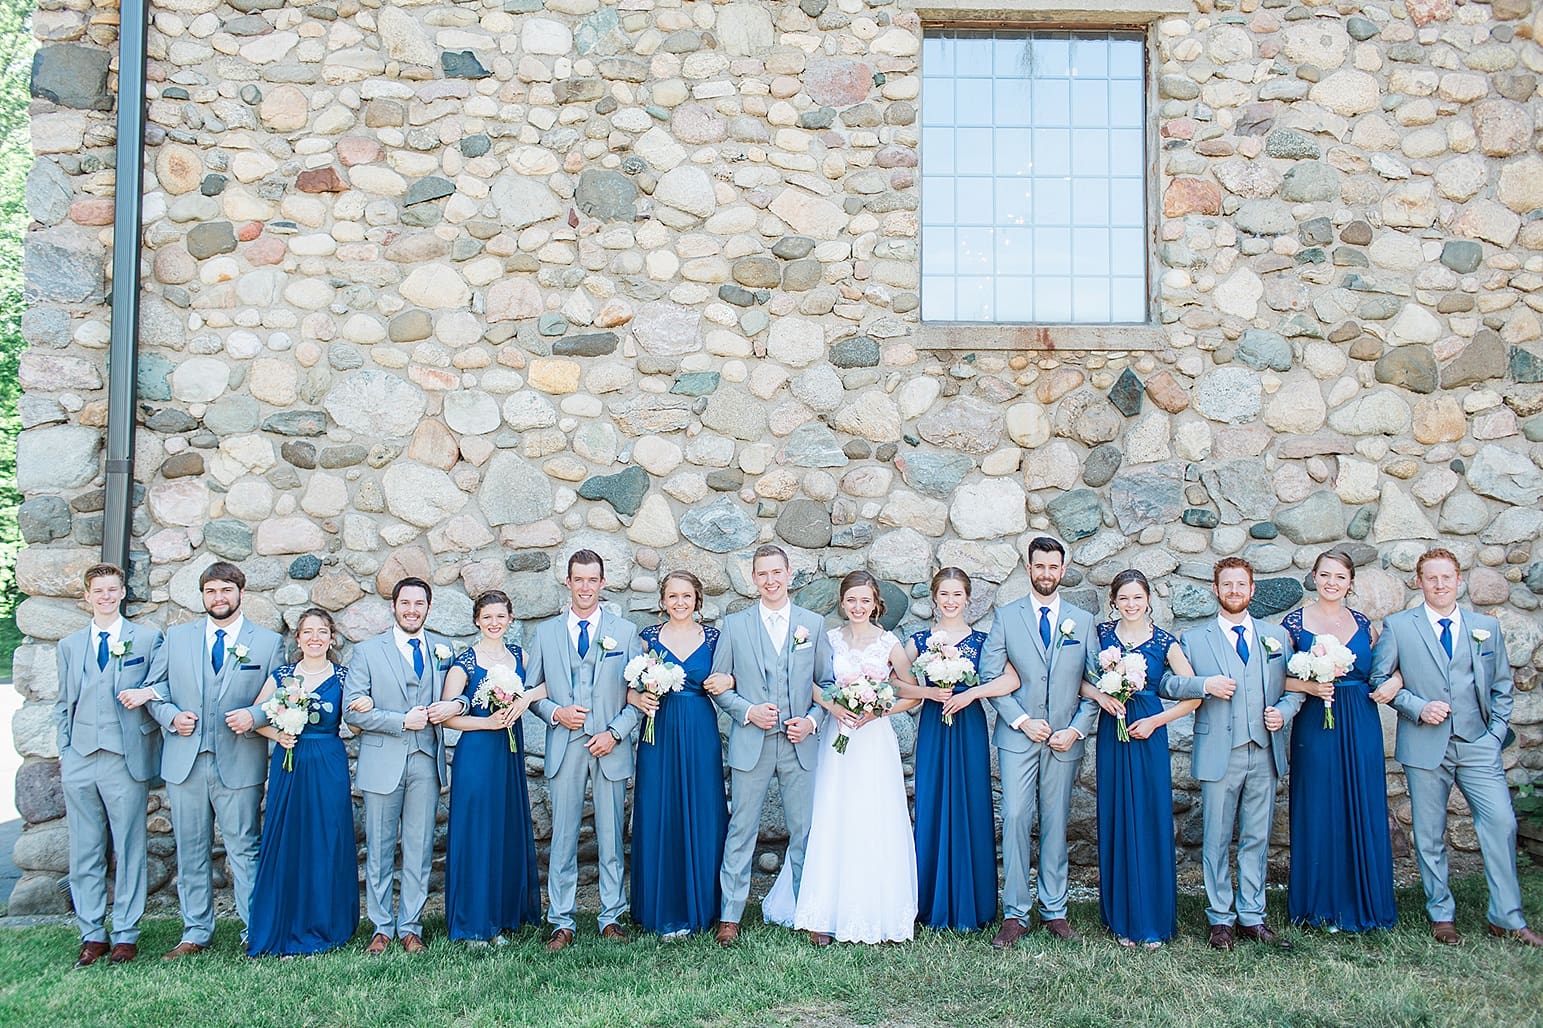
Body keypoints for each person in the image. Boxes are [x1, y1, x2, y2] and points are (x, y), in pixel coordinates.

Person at [1368, 547, 1542, 947]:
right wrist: (1417, 706)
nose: (1440, 584)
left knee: (1502, 822)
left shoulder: (1485, 627)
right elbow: (1379, 680)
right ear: (1419, 581)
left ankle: (1507, 916)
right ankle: (1441, 914)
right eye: (1432, 577)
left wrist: (1495, 733)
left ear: (1459, 580)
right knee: (1429, 834)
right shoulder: (1399, 625)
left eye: (1447, 577)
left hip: (1478, 743)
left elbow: (1501, 686)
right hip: (1426, 745)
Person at [762, 571, 919, 944]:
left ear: (876, 603)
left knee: (872, 815)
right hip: (836, 739)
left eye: (865, 600)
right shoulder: (828, 639)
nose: (858, 607)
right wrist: (833, 706)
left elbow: (912, 693)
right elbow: (810, 682)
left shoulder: (888, 643)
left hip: (873, 741)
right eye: (851, 600)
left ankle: (876, 910)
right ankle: (822, 912)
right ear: (842, 603)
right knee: (831, 812)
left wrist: (878, 712)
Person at [1160, 557, 1300, 951]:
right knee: (1217, 837)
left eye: (1242, 585)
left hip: (1265, 749)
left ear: (1252, 590)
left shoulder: (1276, 637)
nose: (1235, 591)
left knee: (1257, 837)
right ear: (1216, 590)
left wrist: (1284, 711)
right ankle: (1220, 917)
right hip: (1221, 750)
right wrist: (1204, 684)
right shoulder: (1193, 639)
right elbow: (1168, 683)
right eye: (1228, 585)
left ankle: (1252, 916)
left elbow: (1294, 688)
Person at [146, 561, 285, 958]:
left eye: (226, 590)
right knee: (190, 848)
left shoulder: (267, 642)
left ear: (241, 593)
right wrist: (170, 716)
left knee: (244, 847)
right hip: (185, 761)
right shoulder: (176, 638)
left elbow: (280, 696)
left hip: (239, 760)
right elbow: (153, 689)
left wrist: (255, 716)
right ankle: (195, 931)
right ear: (203, 596)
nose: (218, 598)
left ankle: (253, 929)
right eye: (210, 591)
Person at [709, 544, 835, 948]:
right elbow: (717, 685)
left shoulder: (812, 625)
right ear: (753, 578)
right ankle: (730, 915)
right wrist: (747, 712)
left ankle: (810, 912)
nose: (770, 580)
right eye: (762, 574)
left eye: (776, 572)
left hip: (798, 744)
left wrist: (812, 721)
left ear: (789, 574)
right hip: (752, 743)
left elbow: (828, 685)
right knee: (741, 829)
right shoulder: (735, 625)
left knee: (805, 832)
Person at [976, 537, 1098, 946]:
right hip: (1018, 739)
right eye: (1039, 566)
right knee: (1013, 817)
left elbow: (1095, 686)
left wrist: (1076, 728)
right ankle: (1014, 913)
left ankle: (1055, 909)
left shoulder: (1082, 621)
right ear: (1028, 569)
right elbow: (991, 677)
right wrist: (1023, 721)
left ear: (1063, 571)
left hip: (1064, 739)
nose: (1046, 573)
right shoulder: (1007, 617)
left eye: (1053, 567)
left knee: (1056, 822)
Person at [523, 550, 642, 952]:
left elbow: (638, 697)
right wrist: (556, 711)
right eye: (579, 580)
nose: (586, 587)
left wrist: (614, 732)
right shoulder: (545, 634)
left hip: (609, 745)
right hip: (565, 746)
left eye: (593, 580)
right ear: (568, 582)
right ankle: (561, 919)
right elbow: (531, 693)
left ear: (603, 582)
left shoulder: (625, 633)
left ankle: (611, 915)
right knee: (563, 836)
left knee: (610, 835)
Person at [343, 577, 464, 955]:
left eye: (419, 604)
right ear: (393, 607)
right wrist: (399, 720)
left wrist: (456, 706)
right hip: (383, 761)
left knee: (419, 845)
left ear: (428, 608)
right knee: (379, 848)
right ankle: (381, 926)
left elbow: (461, 693)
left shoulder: (442, 649)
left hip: (427, 761)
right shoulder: (366, 652)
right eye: (405, 603)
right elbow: (352, 711)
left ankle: (410, 925)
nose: (412, 610)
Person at [1081, 570, 1201, 947]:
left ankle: (1153, 918)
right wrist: (1101, 696)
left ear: (1148, 600)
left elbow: (1194, 695)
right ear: (1113, 601)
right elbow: (1079, 680)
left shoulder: (1165, 642)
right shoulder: (1100, 636)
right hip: (1112, 729)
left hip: (1148, 731)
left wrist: (1156, 720)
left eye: (1138, 597)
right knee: (1117, 815)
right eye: (1124, 598)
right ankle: (1120, 918)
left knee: (1149, 817)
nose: (1131, 604)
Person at [1281, 549, 1399, 933]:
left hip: (1360, 721)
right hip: (1316, 721)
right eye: (1325, 574)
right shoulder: (1294, 624)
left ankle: (1365, 901)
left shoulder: (1365, 624)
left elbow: (1386, 669)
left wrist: (1396, 682)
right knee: (1317, 804)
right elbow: (1271, 678)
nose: (1332, 582)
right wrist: (1309, 686)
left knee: (1362, 803)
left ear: (1350, 583)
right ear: (1313, 577)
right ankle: (1316, 905)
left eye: (1340, 577)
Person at [54, 563, 163, 967]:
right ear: (87, 596)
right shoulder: (69, 645)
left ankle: (126, 934)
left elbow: (164, 685)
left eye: (112, 589)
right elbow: (64, 704)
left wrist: (146, 690)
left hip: (124, 757)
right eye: (97, 590)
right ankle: (92, 933)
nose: (105, 596)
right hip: (80, 757)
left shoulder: (148, 639)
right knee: (85, 848)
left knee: (130, 845)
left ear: (122, 593)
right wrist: (66, 752)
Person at [245, 609, 360, 957]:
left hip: (328, 762)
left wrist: (359, 711)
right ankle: (283, 920)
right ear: (297, 638)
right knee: (288, 837)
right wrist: (278, 734)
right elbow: (255, 716)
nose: (315, 638)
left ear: (331, 638)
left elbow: (354, 724)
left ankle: (326, 922)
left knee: (327, 838)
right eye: (307, 632)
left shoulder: (342, 676)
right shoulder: (282, 675)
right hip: (289, 763)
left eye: (321, 632)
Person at [627, 571, 732, 938]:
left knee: (703, 807)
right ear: (663, 600)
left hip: (700, 727)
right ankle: (660, 907)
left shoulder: (715, 638)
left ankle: (702, 906)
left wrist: (729, 681)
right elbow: (628, 689)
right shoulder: (647, 640)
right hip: (660, 729)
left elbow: (733, 675)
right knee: (660, 807)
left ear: (697, 599)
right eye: (673, 596)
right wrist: (638, 697)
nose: (680, 602)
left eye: (686, 596)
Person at [901, 568, 1002, 933]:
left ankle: (973, 902)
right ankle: (931, 902)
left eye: (957, 594)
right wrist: (930, 693)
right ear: (934, 598)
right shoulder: (920, 640)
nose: (950, 601)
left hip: (968, 726)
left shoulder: (983, 640)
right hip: (934, 726)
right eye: (944, 594)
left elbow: (1011, 678)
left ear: (968, 599)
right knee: (932, 803)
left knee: (971, 803)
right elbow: (897, 682)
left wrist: (971, 693)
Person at [440, 590, 541, 944]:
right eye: (487, 617)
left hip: (509, 754)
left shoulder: (520, 655)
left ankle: (502, 916)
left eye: (501, 616)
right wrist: (487, 723)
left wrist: (526, 697)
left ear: (510, 618)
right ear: (476, 621)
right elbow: (448, 717)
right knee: (477, 832)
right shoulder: (464, 663)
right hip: (479, 753)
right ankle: (473, 923)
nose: (494, 623)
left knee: (503, 829)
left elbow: (547, 683)